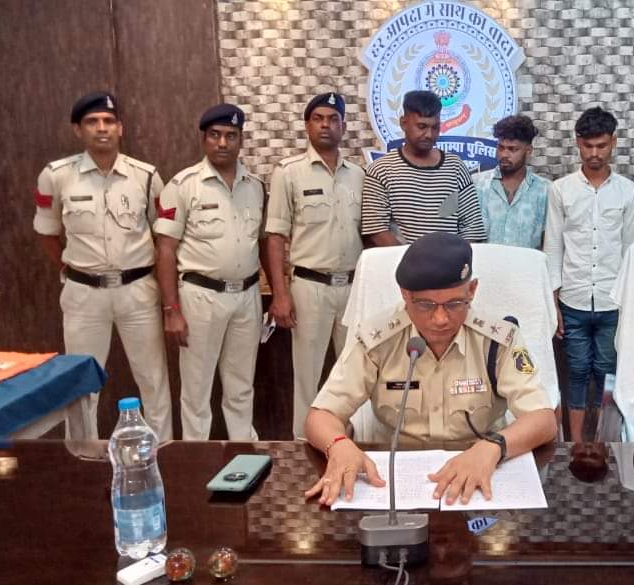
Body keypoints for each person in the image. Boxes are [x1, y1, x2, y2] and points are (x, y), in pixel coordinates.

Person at [304, 232, 558, 506]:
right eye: (425, 305)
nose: (440, 319)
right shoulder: (376, 340)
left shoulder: (499, 340)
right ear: (405, 295)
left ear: (472, 290)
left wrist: (494, 447)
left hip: (480, 472)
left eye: (454, 304)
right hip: (394, 478)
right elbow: (321, 415)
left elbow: (543, 420)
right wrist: (338, 444)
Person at [33, 91, 172, 440]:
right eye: (92, 122)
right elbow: (47, 233)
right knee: (82, 382)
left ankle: (162, 453)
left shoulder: (146, 176)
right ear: (77, 130)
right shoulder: (56, 176)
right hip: (84, 294)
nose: (101, 128)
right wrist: (72, 271)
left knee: (153, 379)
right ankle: (83, 454)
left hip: (137, 291)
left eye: (109, 121)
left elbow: (163, 237)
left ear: (120, 128)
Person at [154, 103, 266, 440]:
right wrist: (171, 310)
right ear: (203, 139)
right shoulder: (183, 185)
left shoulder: (255, 186)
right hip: (201, 297)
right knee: (197, 390)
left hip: (247, 296)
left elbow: (261, 243)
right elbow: (165, 250)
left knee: (241, 387)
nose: (222, 143)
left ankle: (244, 453)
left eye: (231, 136)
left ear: (241, 140)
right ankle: (195, 460)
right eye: (215, 135)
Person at [264, 93, 364, 439]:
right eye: (318, 118)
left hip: (353, 288)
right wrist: (280, 294)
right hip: (309, 287)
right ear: (307, 125)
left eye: (333, 119)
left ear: (343, 126)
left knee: (355, 374)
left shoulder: (359, 175)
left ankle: (351, 443)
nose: (326, 125)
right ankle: (304, 447)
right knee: (307, 376)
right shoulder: (289, 173)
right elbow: (275, 236)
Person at [545, 106, 634, 443]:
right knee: (576, 374)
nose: (594, 153)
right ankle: (574, 445)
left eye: (601, 145)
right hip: (573, 300)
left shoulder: (628, 192)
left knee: (606, 374)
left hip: (612, 301)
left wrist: (628, 305)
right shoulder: (561, 190)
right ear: (577, 143)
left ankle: (601, 446)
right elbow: (553, 247)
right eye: (588, 146)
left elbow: (631, 250)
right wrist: (553, 303)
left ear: (613, 142)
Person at [360, 90, 486, 245]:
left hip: (451, 260)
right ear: (403, 123)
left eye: (435, 127)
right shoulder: (381, 170)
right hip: (401, 260)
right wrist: (412, 258)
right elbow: (376, 229)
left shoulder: (456, 167)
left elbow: (473, 226)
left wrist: (454, 256)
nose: (429, 135)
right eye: (421, 126)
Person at [472, 114, 551, 248]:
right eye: (501, 147)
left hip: (527, 262)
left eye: (512, 149)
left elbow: (549, 241)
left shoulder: (545, 191)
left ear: (528, 151)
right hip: (482, 262)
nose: (504, 154)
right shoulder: (477, 185)